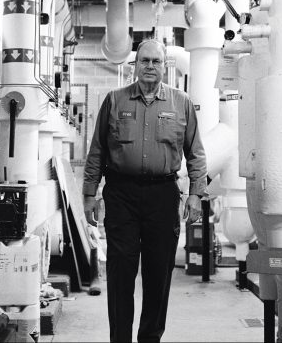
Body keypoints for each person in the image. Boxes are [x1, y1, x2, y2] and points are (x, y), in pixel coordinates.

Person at [83, 39, 208, 343]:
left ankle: (150, 338)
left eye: (156, 61)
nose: (150, 66)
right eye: (144, 61)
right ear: (135, 66)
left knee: (158, 275)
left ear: (165, 66)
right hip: (121, 194)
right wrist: (89, 193)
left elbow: (196, 154)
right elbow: (97, 150)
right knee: (120, 274)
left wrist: (195, 194)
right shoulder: (115, 101)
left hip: (163, 195)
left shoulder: (182, 103)